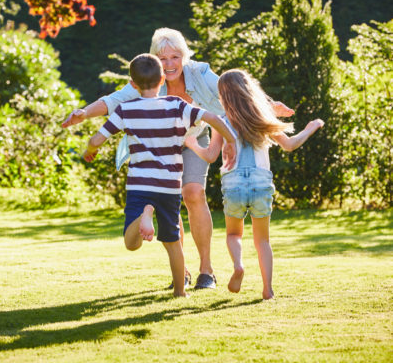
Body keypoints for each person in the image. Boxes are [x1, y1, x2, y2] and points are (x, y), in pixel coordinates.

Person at [63, 27, 294, 289]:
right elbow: (114, 100)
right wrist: (84, 113)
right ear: (155, 60)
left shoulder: (200, 73)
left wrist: (268, 105)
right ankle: (180, 271)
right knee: (170, 201)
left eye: (175, 57)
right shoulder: (150, 77)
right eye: (163, 58)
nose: (169, 64)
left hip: (195, 138)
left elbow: (235, 90)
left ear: (184, 56)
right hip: (162, 145)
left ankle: (206, 270)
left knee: (193, 192)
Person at [82, 53, 236, 297]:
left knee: (131, 244)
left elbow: (96, 139)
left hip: (139, 184)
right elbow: (212, 117)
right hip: (168, 185)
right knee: (172, 241)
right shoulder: (176, 105)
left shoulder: (126, 110)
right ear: (162, 78)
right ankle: (179, 293)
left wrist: (89, 150)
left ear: (132, 84)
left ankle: (145, 213)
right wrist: (229, 139)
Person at [185, 69, 324, 300]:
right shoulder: (261, 118)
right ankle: (267, 289)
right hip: (261, 182)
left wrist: (192, 145)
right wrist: (310, 128)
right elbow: (289, 145)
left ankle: (238, 266)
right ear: (249, 90)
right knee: (263, 241)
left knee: (233, 234)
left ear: (222, 96)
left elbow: (210, 155)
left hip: (234, 184)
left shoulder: (220, 122)